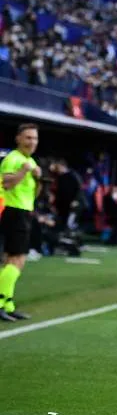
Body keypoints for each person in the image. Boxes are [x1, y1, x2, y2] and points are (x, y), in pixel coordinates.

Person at [0, 123, 42, 322]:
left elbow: (34, 194)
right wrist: (23, 172)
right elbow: (6, 184)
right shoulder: (14, 159)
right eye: (28, 138)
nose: (32, 142)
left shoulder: (30, 161)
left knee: (12, 260)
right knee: (17, 260)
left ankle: (7, 304)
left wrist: (39, 180)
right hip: (13, 211)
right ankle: (1, 302)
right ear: (18, 139)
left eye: (34, 138)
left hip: (24, 211)